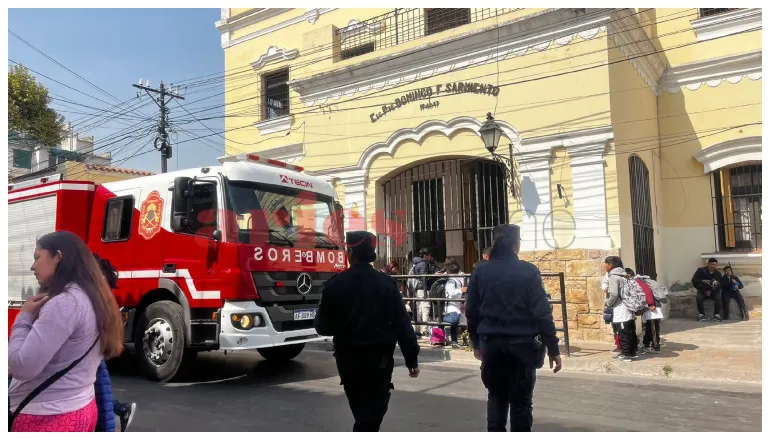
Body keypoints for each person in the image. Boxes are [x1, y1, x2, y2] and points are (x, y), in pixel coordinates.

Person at [8, 231, 124, 432]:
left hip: (47, 417)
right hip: (80, 408)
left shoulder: (65, 303)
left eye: (37, 257)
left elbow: (23, 367)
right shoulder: (92, 296)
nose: (32, 266)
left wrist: (24, 317)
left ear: (58, 256)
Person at [314, 231, 420, 432]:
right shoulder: (386, 283)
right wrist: (411, 359)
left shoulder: (335, 284)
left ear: (349, 253)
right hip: (379, 360)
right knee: (372, 413)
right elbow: (402, 324)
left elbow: (322, 326)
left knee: (361, 411)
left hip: (347, 359)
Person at [466, 224, 562, 432]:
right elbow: (542, 314)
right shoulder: (528, 271)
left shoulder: (481, 271)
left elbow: (471, 311)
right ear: (516, 245)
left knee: (496, 398)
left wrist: (476, 342)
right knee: (521, 403)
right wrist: (553, 348)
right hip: (523, 346)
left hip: (491, 344)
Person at [92, 254, 137, 432]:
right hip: (97, 354)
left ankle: (121, 409)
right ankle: (121, 409)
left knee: (98, 396)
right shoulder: (103, 294)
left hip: (93, 356)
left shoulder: (94, 297)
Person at [604, 257, 637, 361]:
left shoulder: (613, 277)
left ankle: (626, 354)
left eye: (606, 264)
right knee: (630, 330)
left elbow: (614, 294)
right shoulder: (624, 275)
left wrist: (608, 304)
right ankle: (632, 353)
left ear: (610, 265)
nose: (605, 266)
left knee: (623, 332)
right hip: (629, 306)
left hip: (621, 308)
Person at [410, 248, 439, 337]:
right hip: (423, 289)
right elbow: (424, 278)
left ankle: (418, 329)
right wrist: (434, 275)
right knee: (425, 307)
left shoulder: (417, 263)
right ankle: (424, 330)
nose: (430, 257)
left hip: (418, 289)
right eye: (429, 255)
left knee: (419, 308)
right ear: (425, 256)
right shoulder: (423, 264)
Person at [440, 262, 464, 348]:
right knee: (452, 323)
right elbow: (451, 293)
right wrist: (461, 290)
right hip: (451, 305)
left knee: (454, 323)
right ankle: (451, 340)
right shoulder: (451, 281)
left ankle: (454, 341)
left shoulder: (456, 280)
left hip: (456, 304)